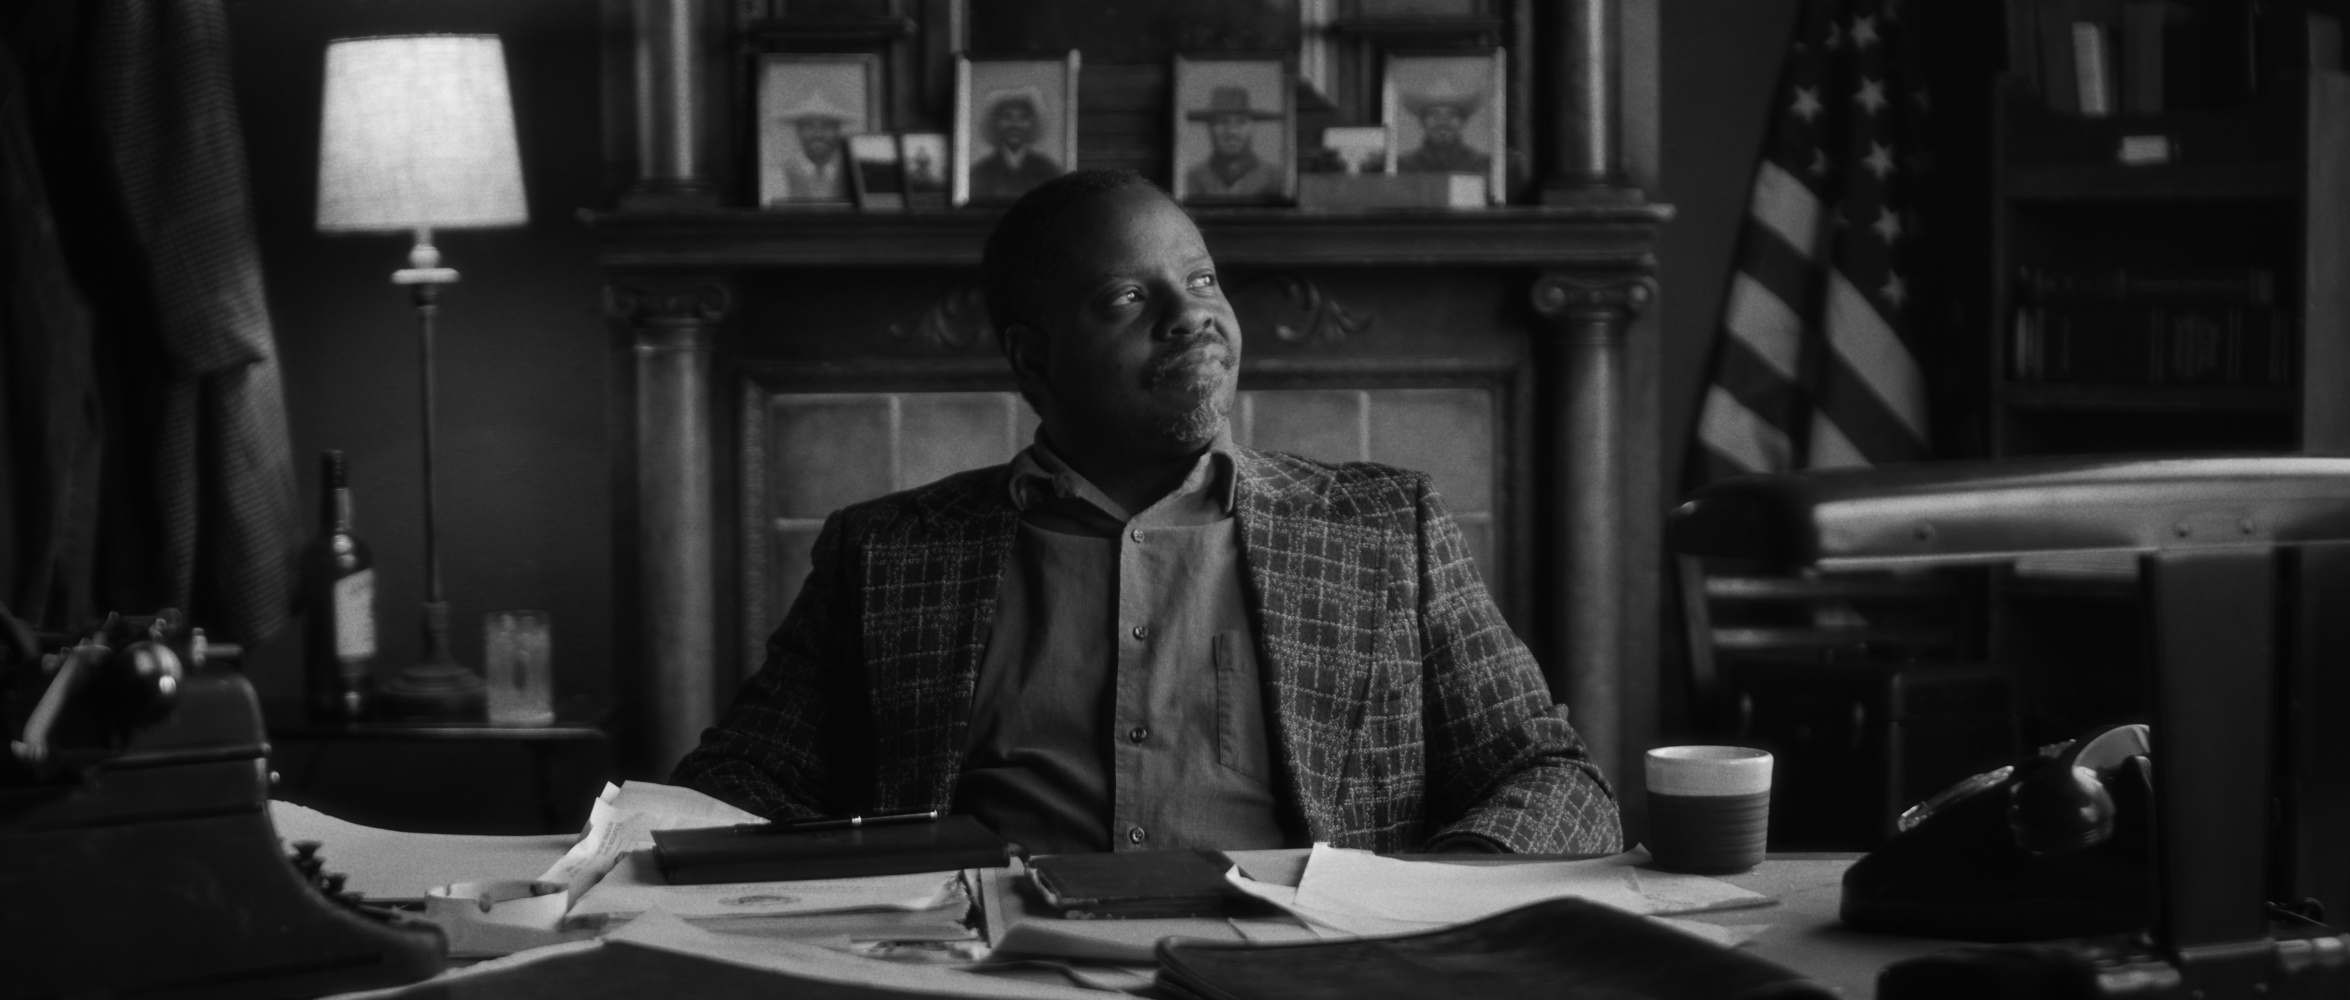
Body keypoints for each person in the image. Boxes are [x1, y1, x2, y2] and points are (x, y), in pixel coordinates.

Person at [673, 170, 1621, 856]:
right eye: (1130, 296)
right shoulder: (883, 553)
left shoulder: (1386, 528)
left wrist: (1433, 895)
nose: (1193, 315)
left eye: (1203, 281)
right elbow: (737, 785)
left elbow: (1553, 778)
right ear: (1033, 361)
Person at [1181, 86, 1283, 202]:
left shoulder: (1276, 180)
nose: (1232, 131)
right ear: (1209, 127)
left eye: (1241, 122)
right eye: (1222, 121)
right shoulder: (1190, 181)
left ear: (1252, 127)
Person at [764, 91, 858, 203]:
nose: (818, 134)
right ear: (798, 131)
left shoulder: (854, 177)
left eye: (827, 126)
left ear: (838, 131)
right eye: (809, 126)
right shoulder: (778, 178)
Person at [969, 91, 1062, 201]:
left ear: (1032, 123)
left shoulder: (1048, 170)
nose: (1015, 125)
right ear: (996, 123)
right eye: (1007, 117)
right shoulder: (981, 172)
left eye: (1022, 117)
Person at [1395, 78, 1492, 175]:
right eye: (1433, 114)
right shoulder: (1403, 167)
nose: (1442, 121)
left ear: (1463, 120)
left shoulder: (1483, 166)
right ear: (1422, 120)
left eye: (1452, 114)